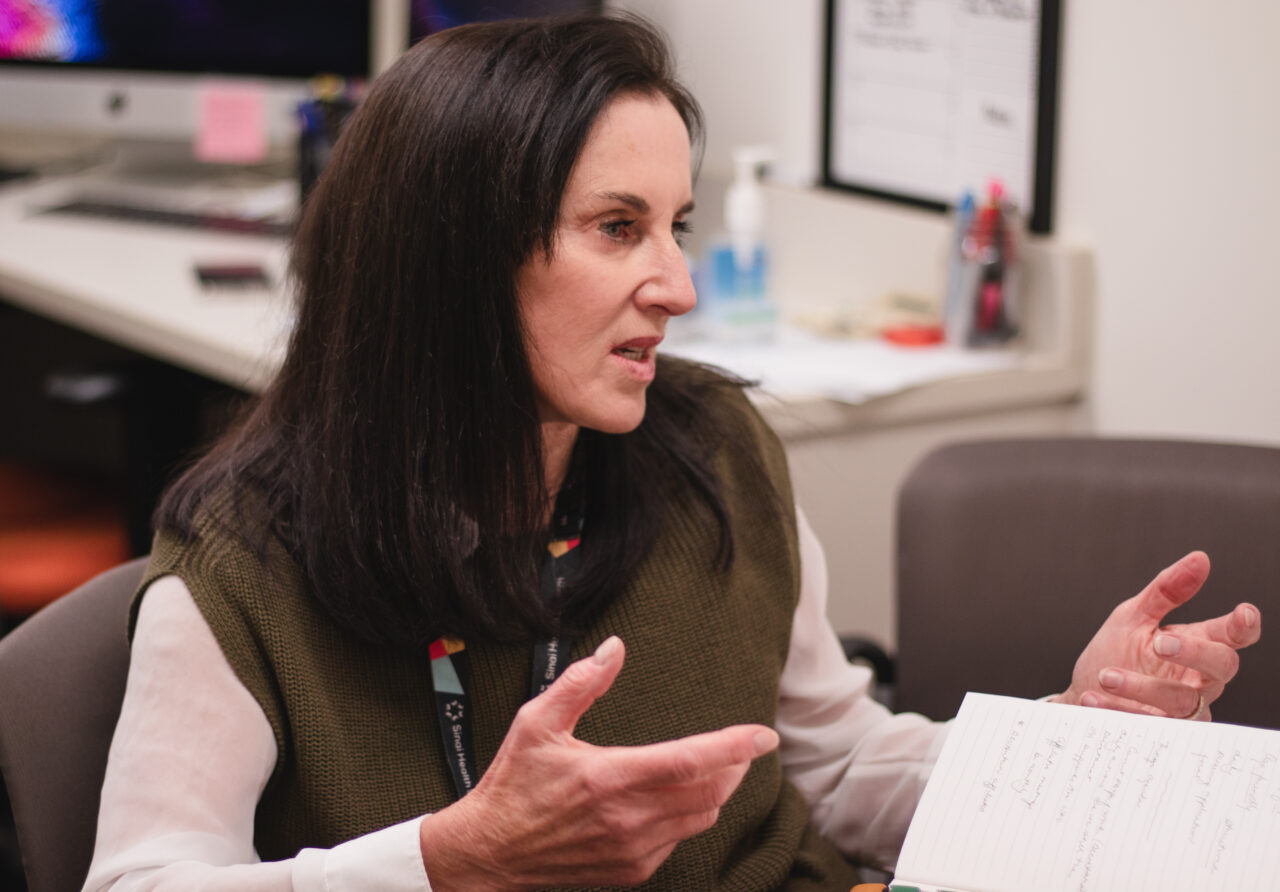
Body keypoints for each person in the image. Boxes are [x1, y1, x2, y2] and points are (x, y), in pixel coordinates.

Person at [82, 13, 1262, 892]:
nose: (679, 287)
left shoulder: (711, 450)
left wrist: (1069, 740)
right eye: (617, 228)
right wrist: (450, 860)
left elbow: (835, 763)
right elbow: (141, 880)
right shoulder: (249, 555)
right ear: (454, 257)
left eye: (675, 227)